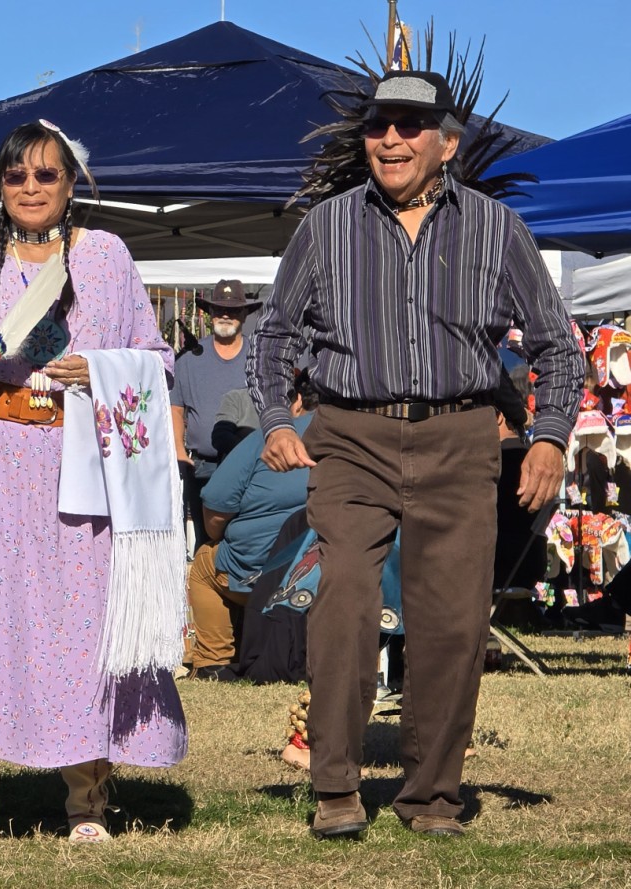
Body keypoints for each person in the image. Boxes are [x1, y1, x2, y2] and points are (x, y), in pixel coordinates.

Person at [247, 70, 584, 838]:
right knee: (345, 604)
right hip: (350, 437)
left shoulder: (498, 230)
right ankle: (335, 785)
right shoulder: (325, 227)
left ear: (448, 143)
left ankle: (431, 795)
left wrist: (550, 436)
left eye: (408, 125)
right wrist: (274, 419)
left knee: (453, 621)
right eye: (377, 125)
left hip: (462, 436)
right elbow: (272, 337)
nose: (390, 139)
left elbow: (557, 347)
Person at [0, 121, 187, 844]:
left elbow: (155, 359)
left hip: (81, 475)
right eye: (15, 176)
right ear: (0, 185)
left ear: (72, 184)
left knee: (79, 629)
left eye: (46, 176)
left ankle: (87, 802)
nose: (30, 188)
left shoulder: (107, 258)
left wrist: (98, 368)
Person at [187, 370, 316, 678]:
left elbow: (215, 509)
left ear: (297, 401)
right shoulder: (359, 443)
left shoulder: (270, 439)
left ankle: (213, 662)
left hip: (261, 572)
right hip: (333, 570)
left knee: (205, 562)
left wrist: (220, 535)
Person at [171, 280, 261, 551]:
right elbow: (176, 408)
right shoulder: (188, 360)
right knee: (204, 545)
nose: (226, 315)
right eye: (220, 309)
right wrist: (177, 449)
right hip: (202, 468)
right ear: (210, 313)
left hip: (252, 466)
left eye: (233, 310)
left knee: (247, 540)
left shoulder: (259, 357)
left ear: (244, 315)